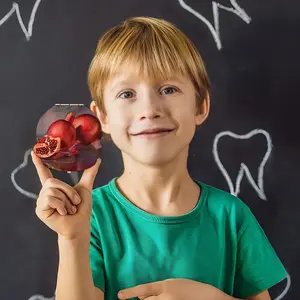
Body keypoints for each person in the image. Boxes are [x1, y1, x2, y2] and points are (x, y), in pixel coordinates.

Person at [31, 16, 288, 300]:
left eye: (168, 90)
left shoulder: (231, 217)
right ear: (102, 116)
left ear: (200, 106)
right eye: (127, 93)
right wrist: (72, 239)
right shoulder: (91, 217)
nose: (150, 109)